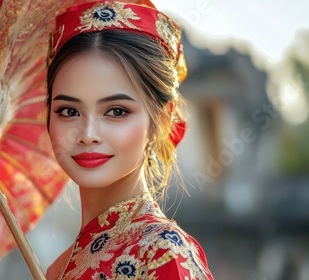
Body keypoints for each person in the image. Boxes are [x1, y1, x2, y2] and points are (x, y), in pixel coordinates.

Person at [45, 1, 214, 279]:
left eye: (116, 111)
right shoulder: (58, 268)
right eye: (69, 111)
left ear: (161, 119)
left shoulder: (164, 255)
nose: (88, 134)